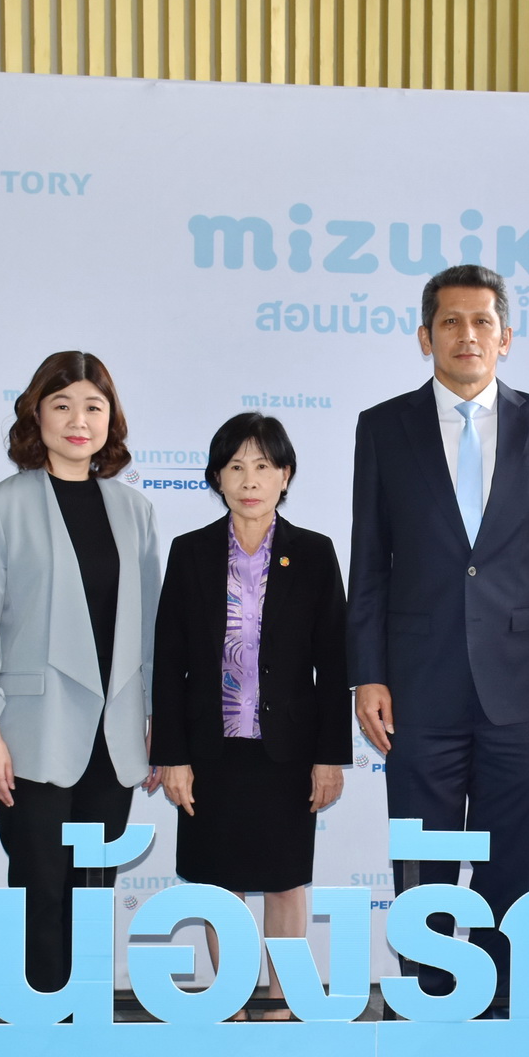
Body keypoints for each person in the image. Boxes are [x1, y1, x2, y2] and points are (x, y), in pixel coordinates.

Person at [350, 263, 529, 1017]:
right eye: (450, 321)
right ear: (425, 337)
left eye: (482, 321)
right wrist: (367, 674)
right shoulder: (382, 426)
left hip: (522, 688)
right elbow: (370, 562)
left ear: (506, 336)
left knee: (508, 863)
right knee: (422, 862)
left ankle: (495, 1008)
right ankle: (426, 1002)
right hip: (416, 685)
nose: (467, 335)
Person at [0, 350, 162, 996]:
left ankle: (86, 1024)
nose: (79, 421)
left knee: (94, 892)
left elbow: (150, 626)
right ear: (36, 414)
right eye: (63, 405)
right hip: (31, 732)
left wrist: (155, 716)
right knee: (40, 890)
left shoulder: (135, 510)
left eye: (93, 407)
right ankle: (40, 1023)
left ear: (110, 419)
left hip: (116, 734)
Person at [152, 412, 350, 1021]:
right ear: (217, 477)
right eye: (235, 467)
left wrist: (330, 757)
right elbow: (169, 662)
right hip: (210, 750)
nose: (250, 480)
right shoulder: (190, 553)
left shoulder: (313, 553)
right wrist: (171, 755)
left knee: (286, 880)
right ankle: (231, 996)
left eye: (263, 466)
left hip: (286, 750)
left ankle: (283, 996)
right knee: (219, 883)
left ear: (285, 475)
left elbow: (333, 664)